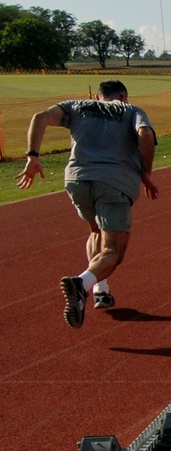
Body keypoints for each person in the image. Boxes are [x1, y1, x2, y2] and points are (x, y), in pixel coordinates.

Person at [16, 79, 158, 329]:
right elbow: (145, 134)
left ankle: (100, 290)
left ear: (97, 96)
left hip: (77, 179)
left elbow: (40, 116)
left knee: (95, 231)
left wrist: (33, 157)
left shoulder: (77, 106)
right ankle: (81, 284)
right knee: (113, 250)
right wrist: (146, 171)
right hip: (114, 181)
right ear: (123, 96)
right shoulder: (131, 110)